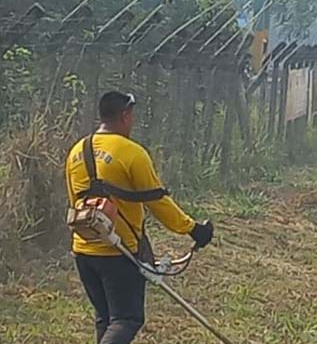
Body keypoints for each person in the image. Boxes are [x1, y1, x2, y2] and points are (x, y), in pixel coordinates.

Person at [66, 91, 213, 344]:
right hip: (118, 252)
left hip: (83, 251)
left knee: (106, 317)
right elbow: (158, 202)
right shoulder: (132, 152)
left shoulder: (77, 151)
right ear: (124, 115)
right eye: (131, 115)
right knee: (126, 319)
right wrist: (193, 229)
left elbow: (73, 201)